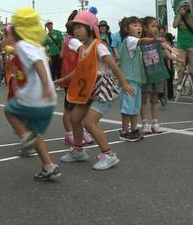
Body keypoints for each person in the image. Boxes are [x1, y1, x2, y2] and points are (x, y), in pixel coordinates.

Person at [59, 11, 134, 170]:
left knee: (89, 122)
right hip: (88, 90)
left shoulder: (99, 46)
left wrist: (124, 84)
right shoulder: (83, 48)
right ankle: (79, 151)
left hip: (102, 90)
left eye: (79, 27)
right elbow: (79, 70)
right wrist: (62, 79)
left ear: (91, 28)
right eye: (75, 28)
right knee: (74, 118)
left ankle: (109, 155)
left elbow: (113, 65)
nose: (76, 31)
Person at [0, 7, 61, 181]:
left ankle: (25, 138)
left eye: (9, 32)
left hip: (34, 98)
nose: (7, 36)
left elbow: (38, 64)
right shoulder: (36, 46)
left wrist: (45, 86)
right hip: (48, 103)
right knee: (36, 136)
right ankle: (49, 166)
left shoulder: (23, 46)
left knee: (9, 110)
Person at [117, 16, 166, 142]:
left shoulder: (134, 42)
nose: (138, 28)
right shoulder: (130, 40)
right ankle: (124, 131)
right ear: (126, 29)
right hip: (129, 80)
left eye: (139, 25)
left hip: (136, 80)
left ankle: (133, 129)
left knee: (134, 107)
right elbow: (143, 40)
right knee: (128, 107)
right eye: (135, 25)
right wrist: (154, 39)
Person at [54, 10, 93, 146]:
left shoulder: (69, 40)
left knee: (78, 107)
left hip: (75, 79)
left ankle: (79, 132)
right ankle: (70, 134)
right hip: (72, 79)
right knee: (70, 109)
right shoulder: (73, 41)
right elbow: (86, 52)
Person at [139, 16, 176, 134]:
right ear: (145, 27)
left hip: (158, 74)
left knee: (155, 99)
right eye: (152, 26)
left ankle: (155, 122)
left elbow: (166, 51)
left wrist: (175, 56)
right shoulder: (140, 41)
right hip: (146, 75)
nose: (155, 29)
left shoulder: (159, 39)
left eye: (157, 26)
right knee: (144, 100)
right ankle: (145, 123)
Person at [173, 0, 193, 94]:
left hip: (192, 44)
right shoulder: (177, 16)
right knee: (180, 66)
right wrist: (180, 15)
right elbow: (174, 25)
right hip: (181, 45)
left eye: (187, 7)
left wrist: (187, 15)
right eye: (183, 7)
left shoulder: (192, 15)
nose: (185, 9)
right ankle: (180, 84)